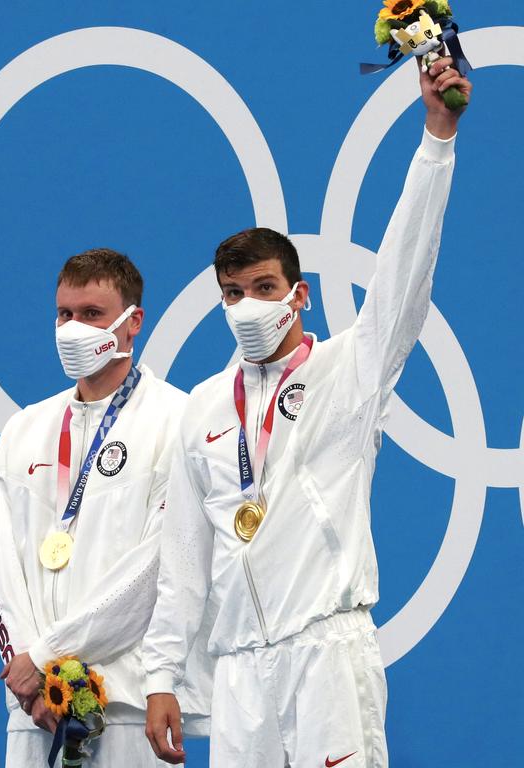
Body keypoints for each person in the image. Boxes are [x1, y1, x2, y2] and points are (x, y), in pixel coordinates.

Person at [142, 57, 471, 767]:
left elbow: (406, 268)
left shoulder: (351, 369)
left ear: (302, 294)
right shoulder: (201, 410)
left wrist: (436, 137)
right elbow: (183, 563)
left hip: (327, 652)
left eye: (265, 287)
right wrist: (162, 675)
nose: (249, 306)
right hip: (236, 676)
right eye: (233, 294)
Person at [0, 249, 212, 767]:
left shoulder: (178, 421)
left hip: (128, 702)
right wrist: (28, 671)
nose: (73, 328)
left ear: (133, 323)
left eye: (92, 314)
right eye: (64, 314)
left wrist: (45, 654)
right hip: (35, 707)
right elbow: (4, 570)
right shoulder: (24, 429)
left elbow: (159, 567)